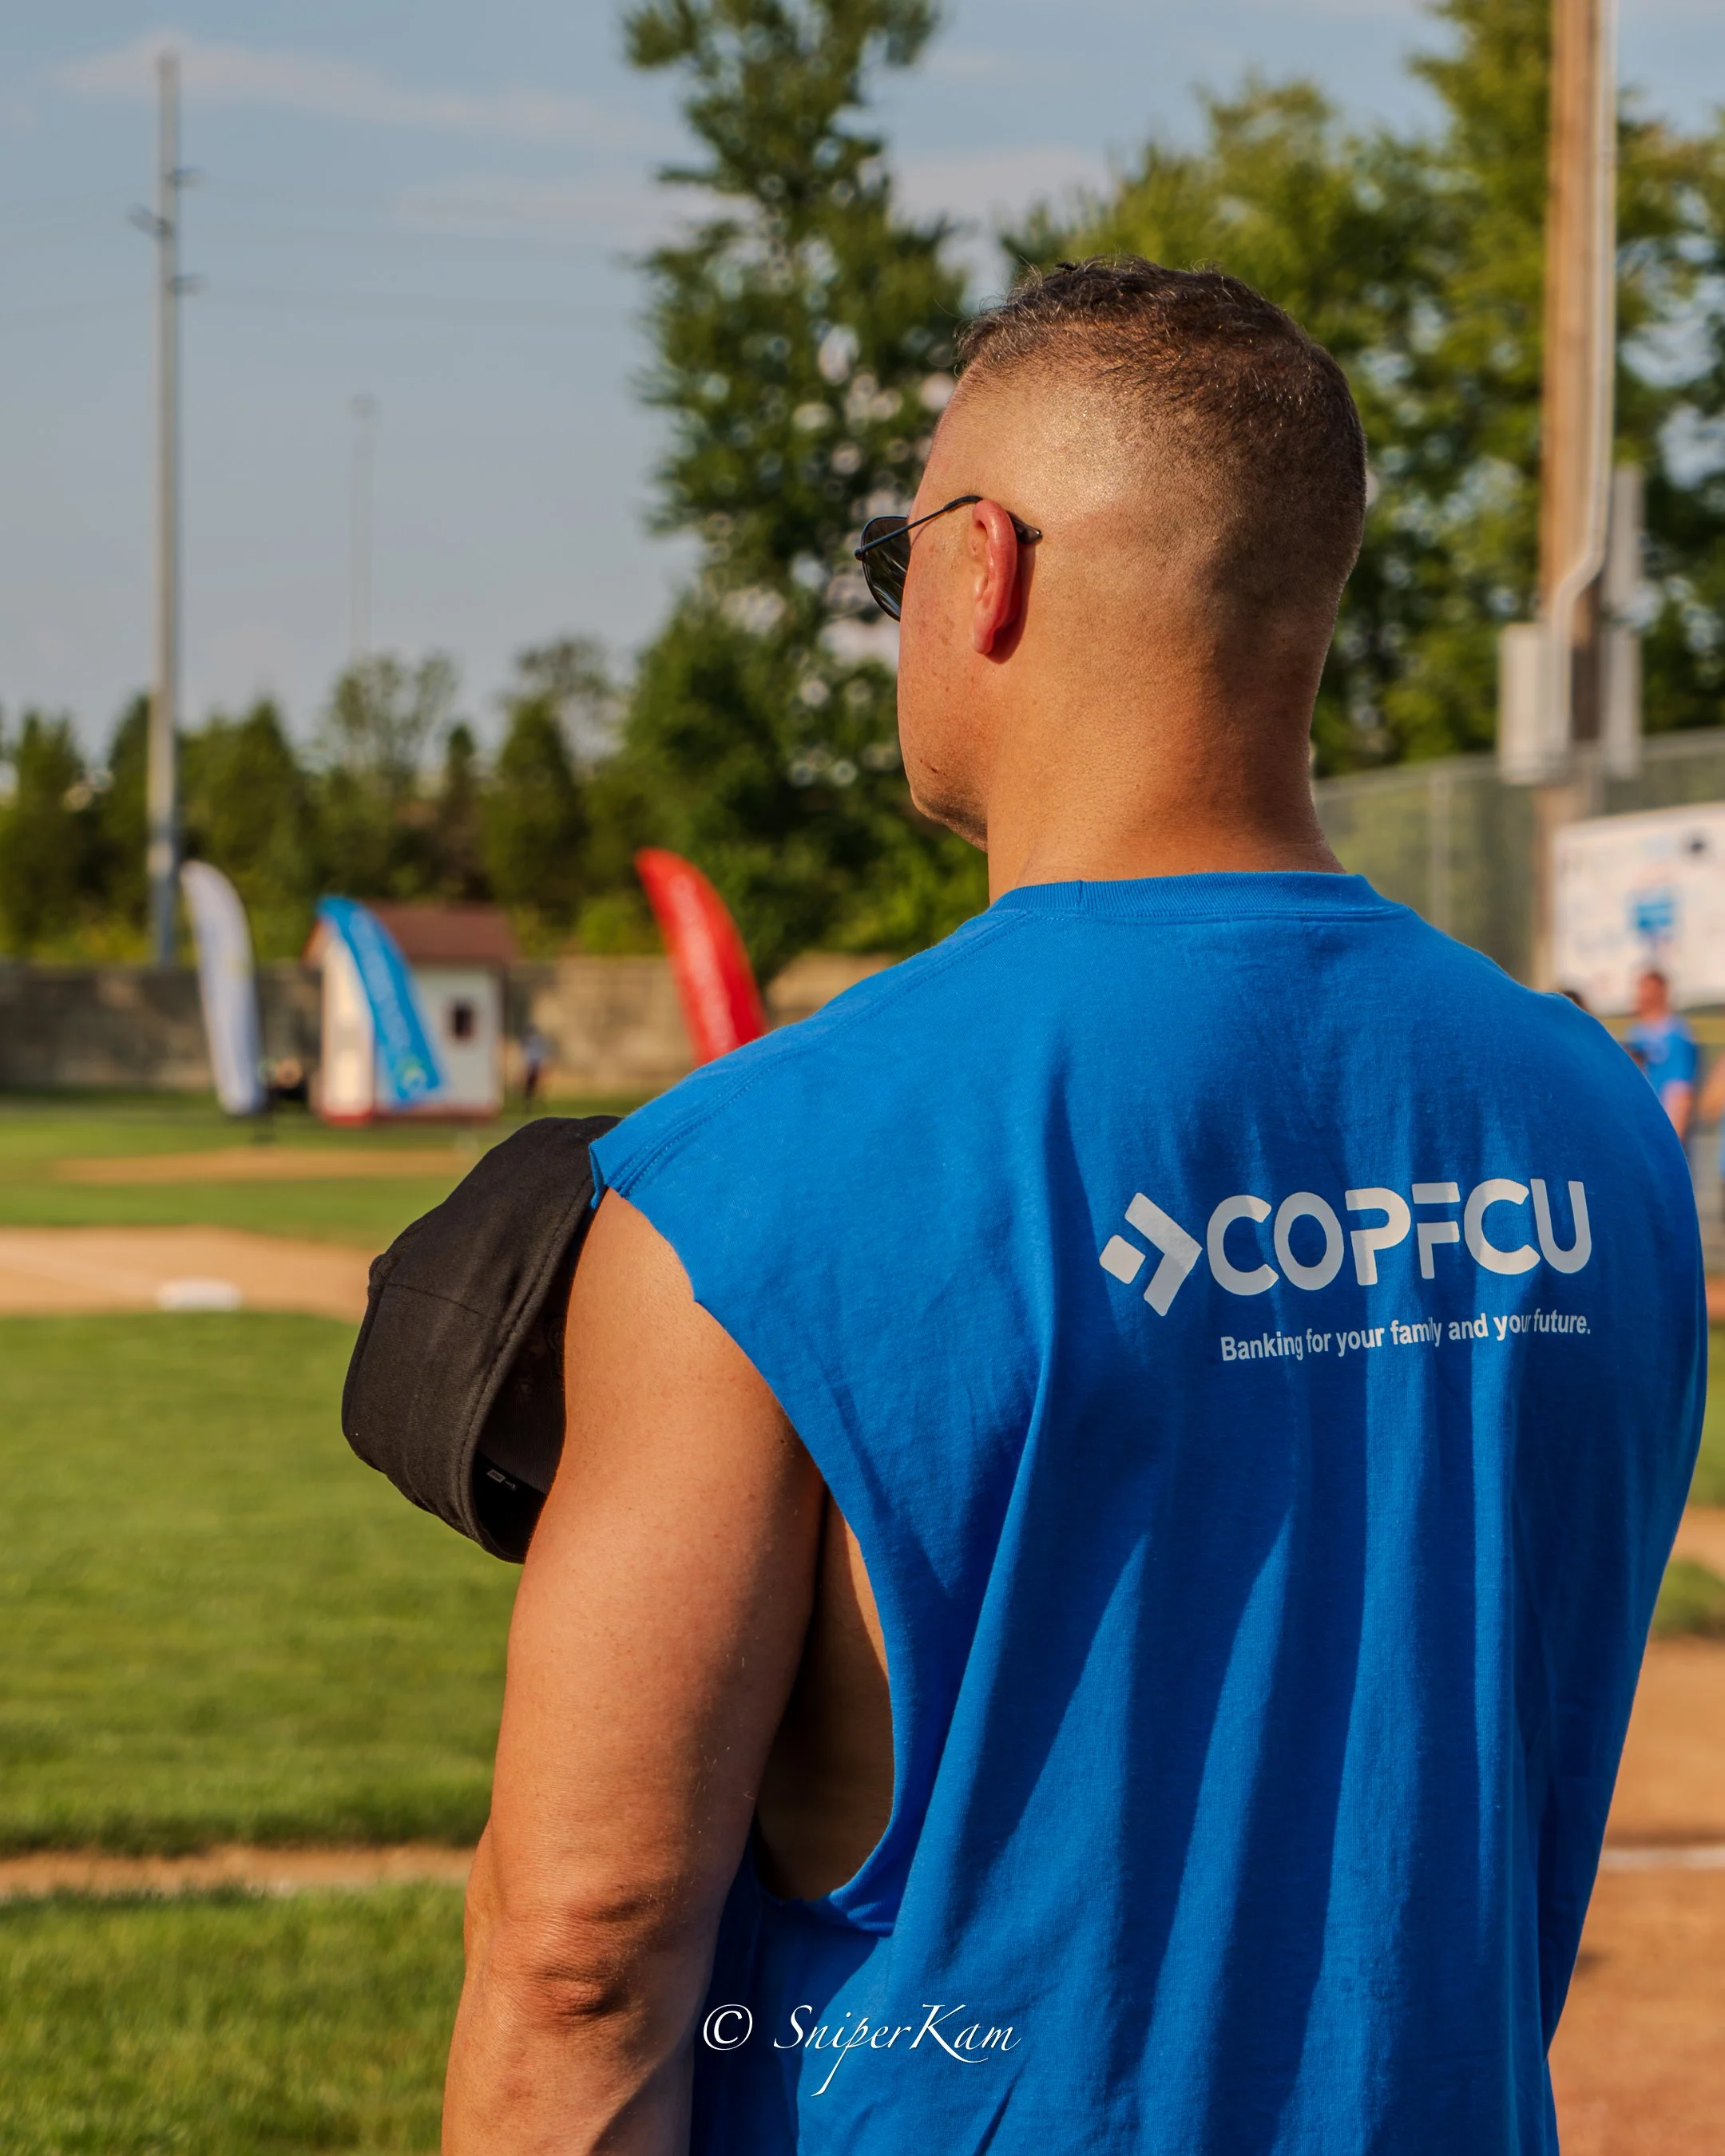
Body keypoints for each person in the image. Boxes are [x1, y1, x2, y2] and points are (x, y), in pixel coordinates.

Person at [442, 261, 1703, 2155]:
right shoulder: (1596, 1121)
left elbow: (588, 1944)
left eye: (897, 557)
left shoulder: (759, 1172)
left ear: (984, 570)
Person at [1624, 966, 1698, 1138]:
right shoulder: (1635, 1033)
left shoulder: (1677, 1036)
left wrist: (1671, 1142)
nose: (1640, 996)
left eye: (1646, 989)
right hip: (1641, 1132)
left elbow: (1680, 1093)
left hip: (1663, 1134)